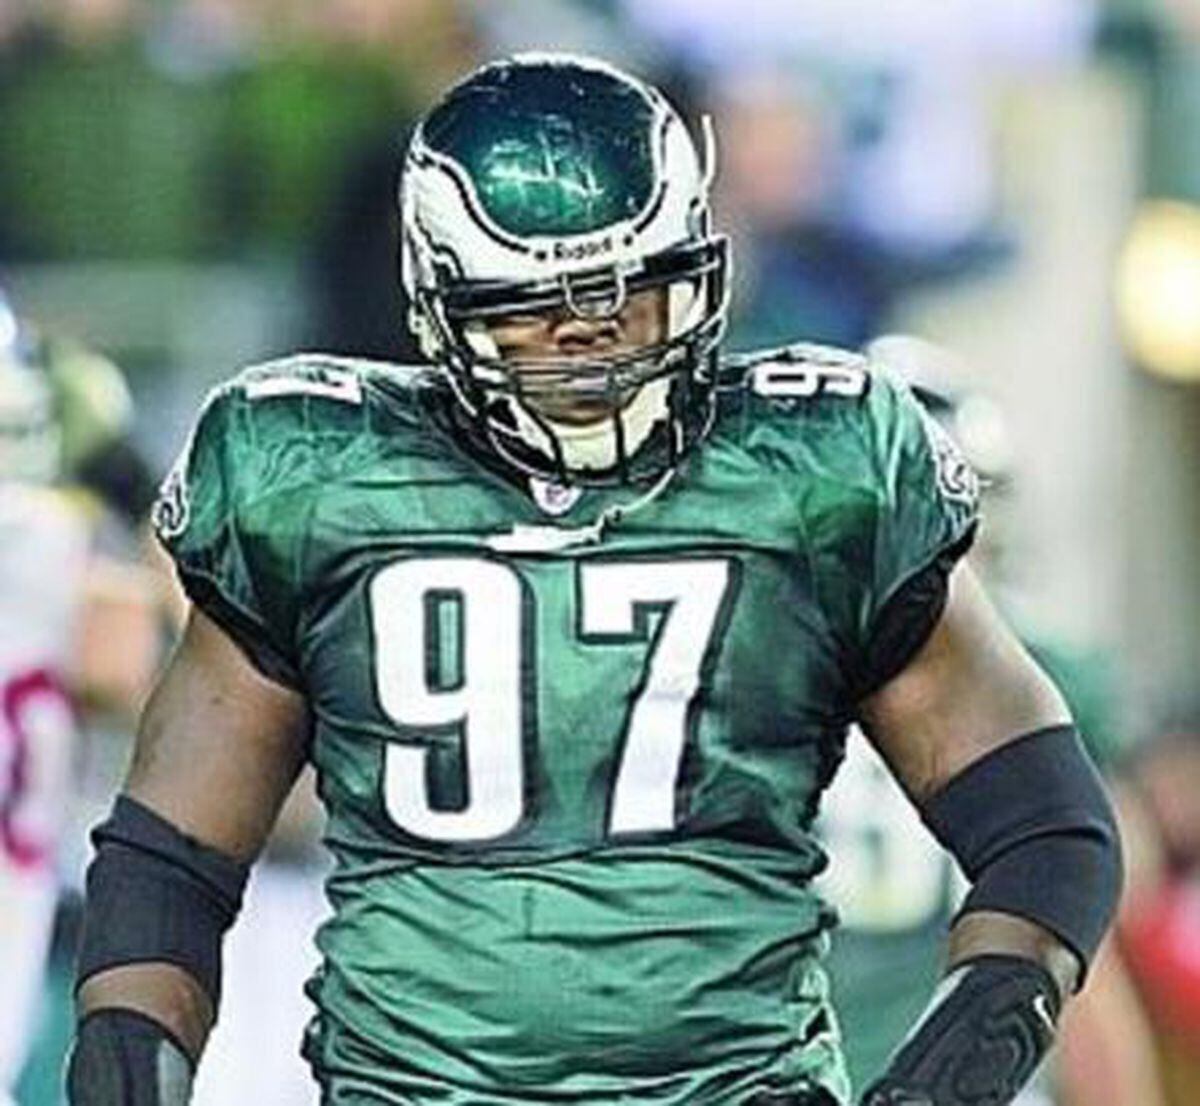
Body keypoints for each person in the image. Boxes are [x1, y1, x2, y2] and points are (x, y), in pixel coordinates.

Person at [66, 54, 1122, 1106]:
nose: (590, 339)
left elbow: (1046, 830)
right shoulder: (315, 478)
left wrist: (944, 1081)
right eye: (535, 307)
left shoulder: (817, 470)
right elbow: (171, 861)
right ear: (437, 297)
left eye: (632, 294)